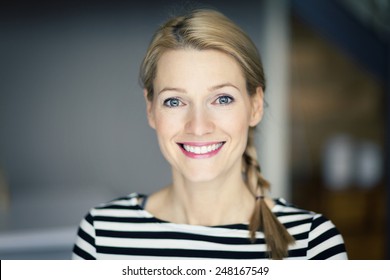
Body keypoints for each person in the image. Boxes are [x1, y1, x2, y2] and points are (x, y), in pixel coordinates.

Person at [72, 8, 347, 260]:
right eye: (174, 101)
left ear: (255, 106)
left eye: (222, 99)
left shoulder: (314, 244)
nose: (199, 126)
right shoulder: (102, 233)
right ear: (151, 109)